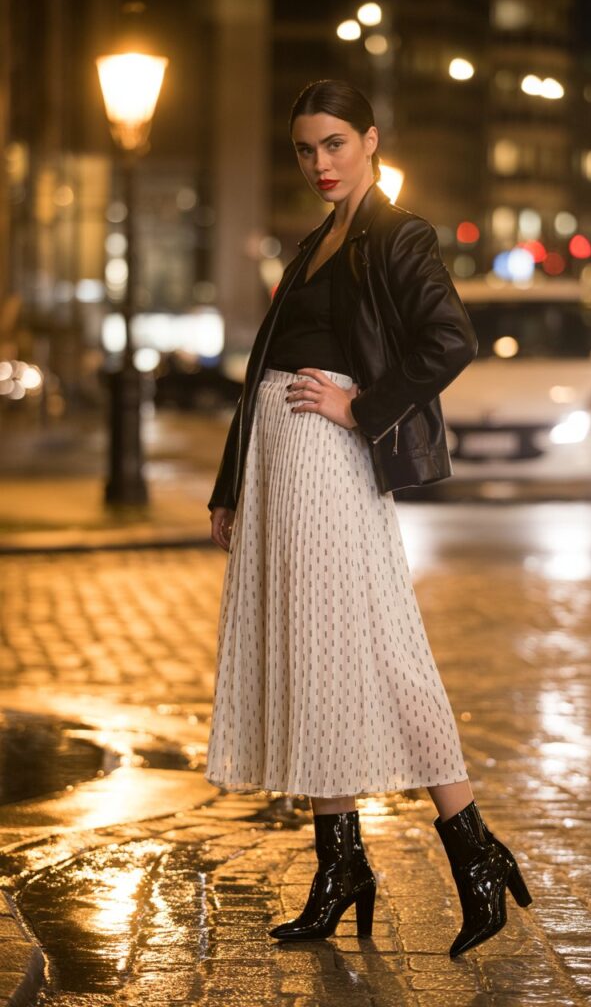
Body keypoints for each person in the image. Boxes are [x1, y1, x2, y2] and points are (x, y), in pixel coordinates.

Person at [205, 78, 532, 957]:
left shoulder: (395, 231)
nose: (319, 163)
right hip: (281, 469)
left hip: (326, 467)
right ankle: (342, 865)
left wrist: (361, 408)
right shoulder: (317, 240)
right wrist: (232, 484)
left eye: (335, 145)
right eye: (306, 149)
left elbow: (448, 340)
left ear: (371, 141)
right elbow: (265, 367)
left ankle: (473, 851)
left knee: (382, 649)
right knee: (314, 658)